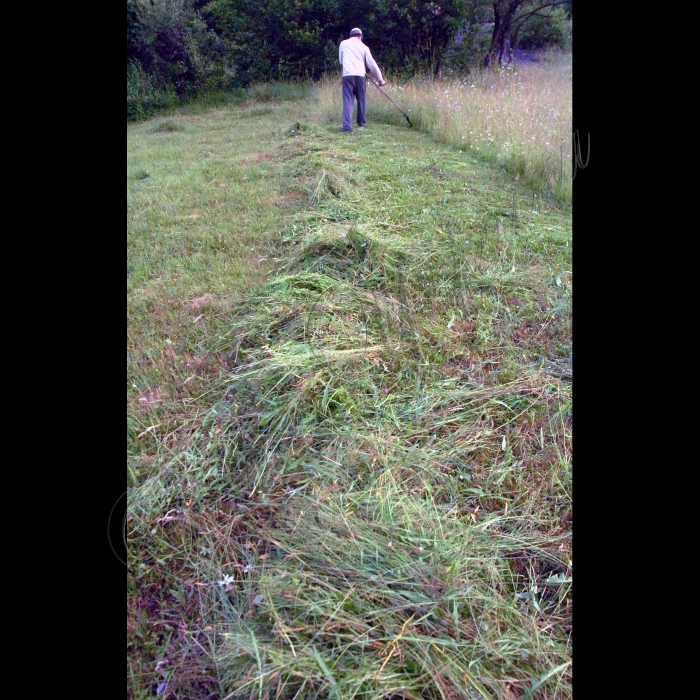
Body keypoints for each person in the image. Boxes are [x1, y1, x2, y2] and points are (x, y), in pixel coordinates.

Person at [338, 28, 386, 132]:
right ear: (360, 36)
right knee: (361, 99)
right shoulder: (364, 47)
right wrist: (380, 79)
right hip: (360, 76)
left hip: (347, 76)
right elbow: (371, 64)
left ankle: (347, 126)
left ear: (351, 35)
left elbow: (341, 61)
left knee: (347, 100)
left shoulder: (343, 44)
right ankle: (361, 122)